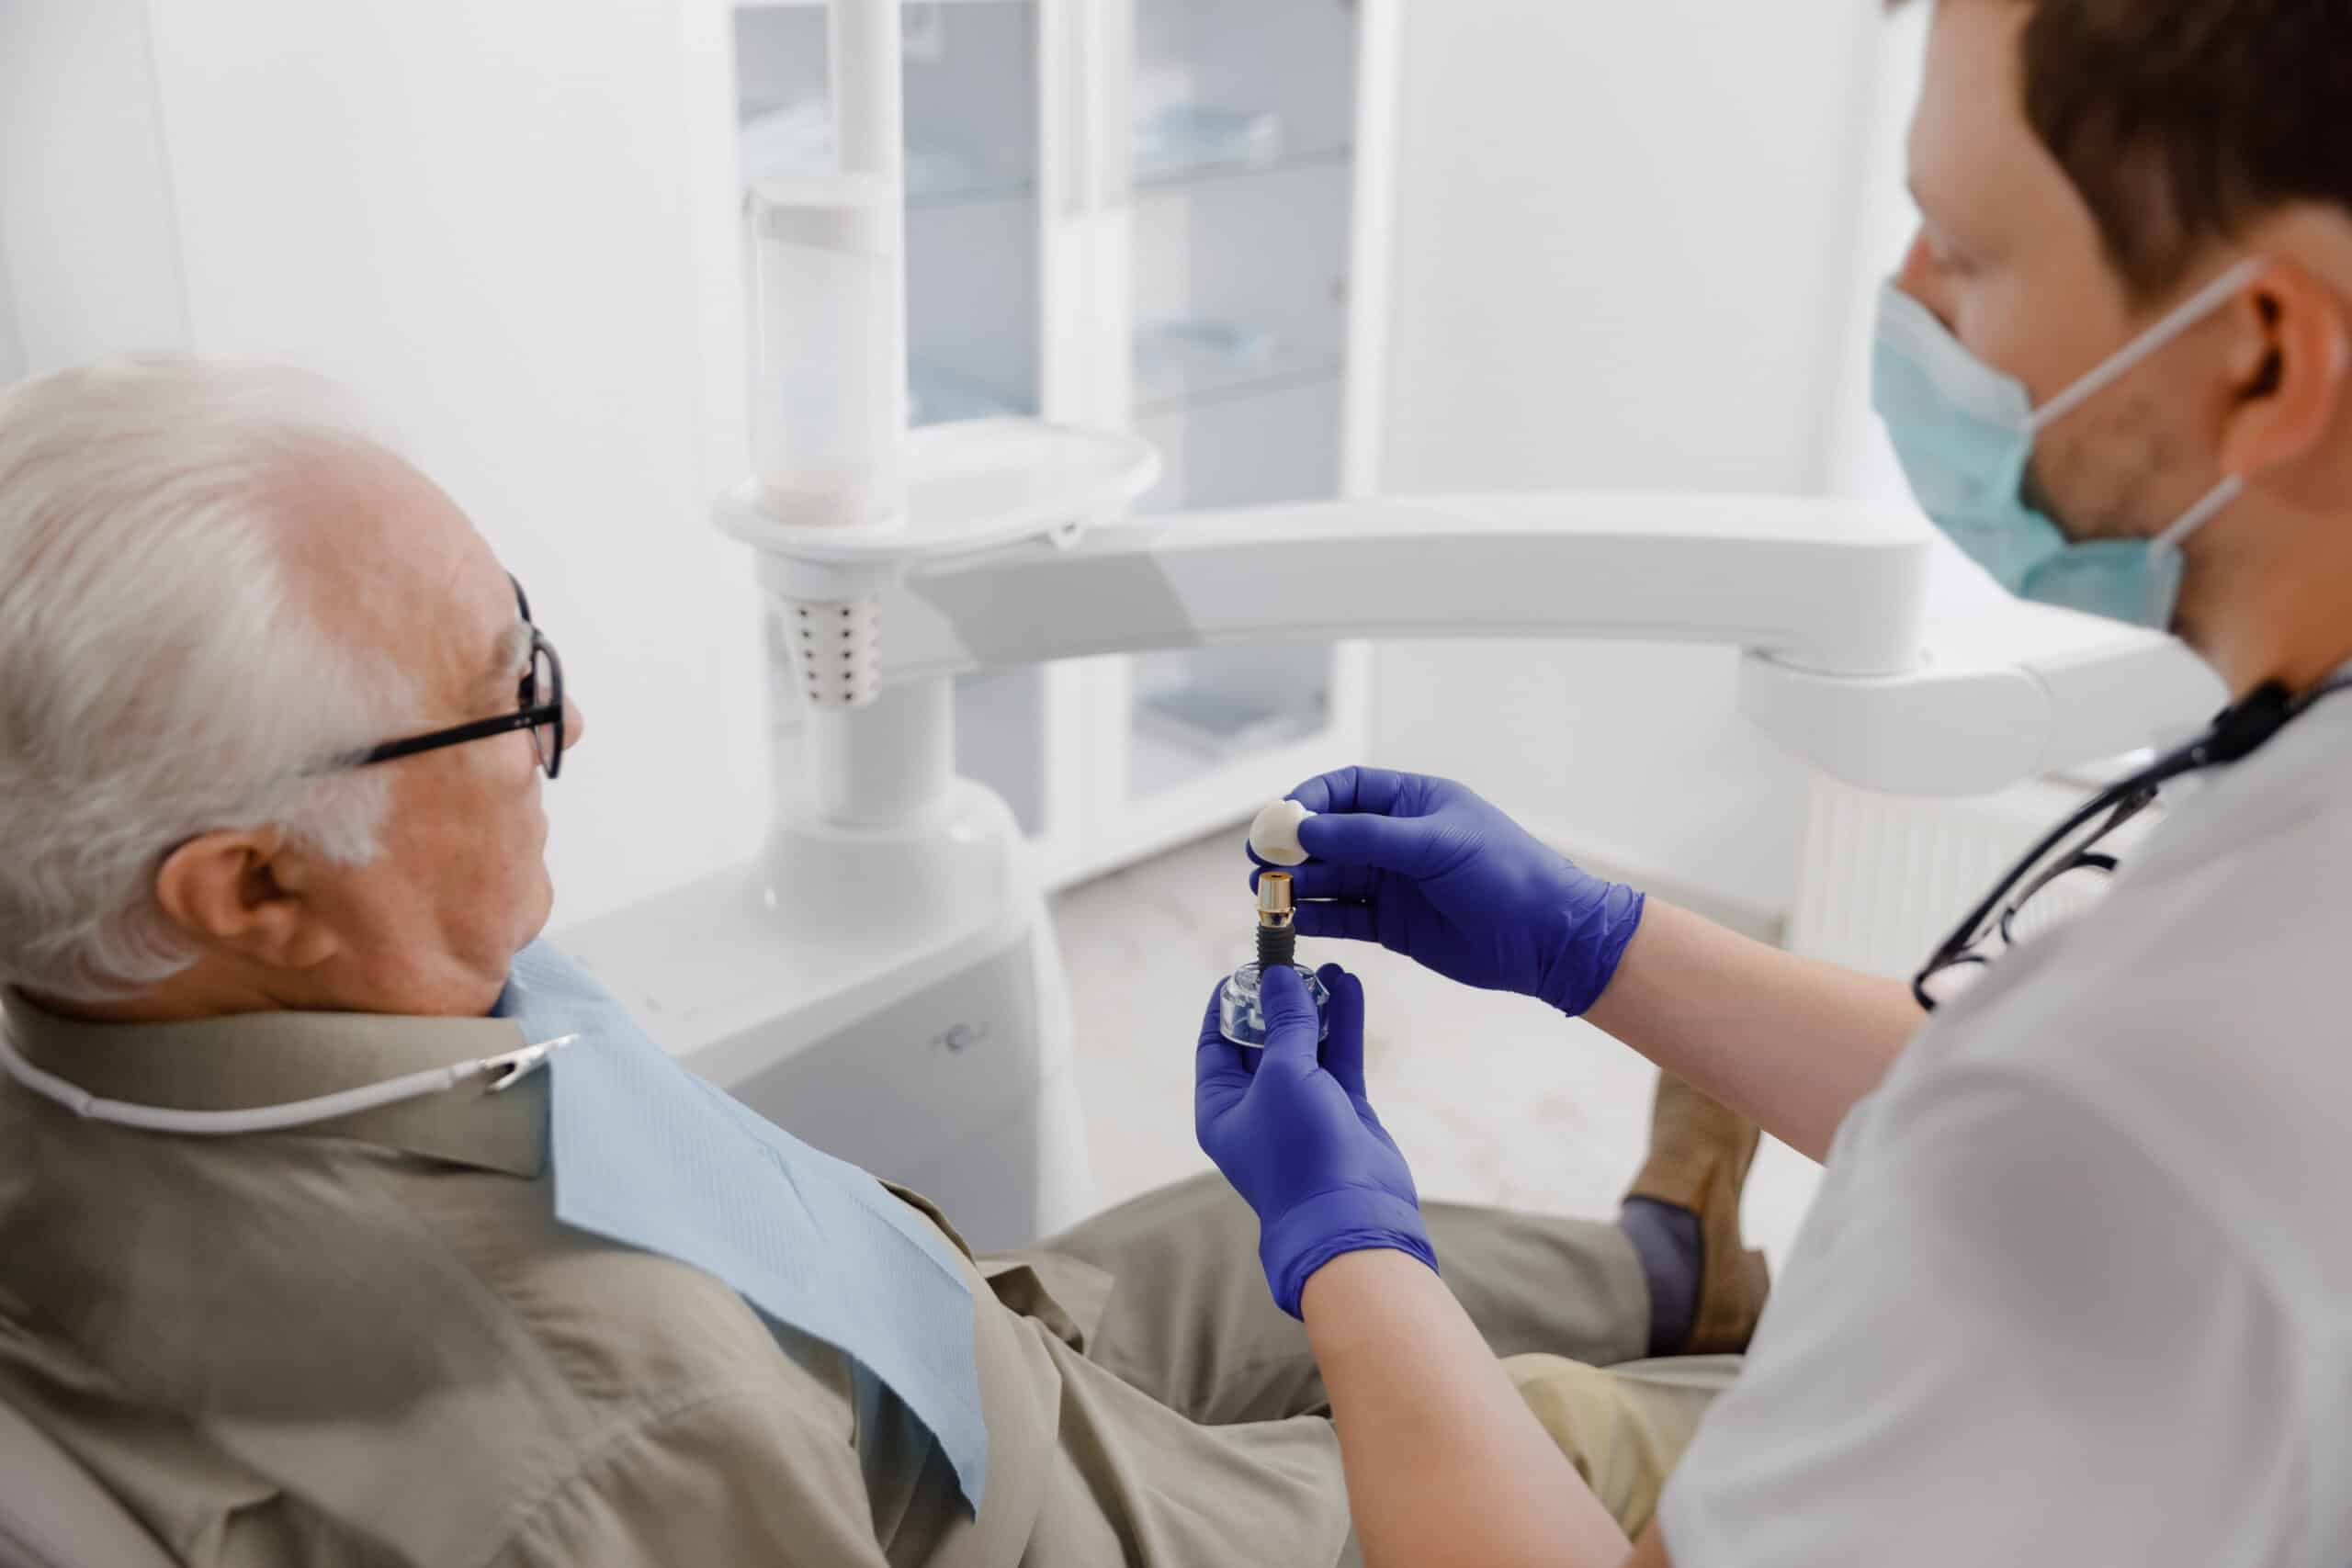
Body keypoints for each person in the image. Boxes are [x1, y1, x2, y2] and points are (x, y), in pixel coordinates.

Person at [0, 355, 1762, 1566]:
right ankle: (1709, 1378)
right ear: (256, 888)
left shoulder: (152, 1018)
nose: (570, 724)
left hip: (918, 1340)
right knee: (1605, 1440)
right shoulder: (619, 1431)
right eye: (505, 693)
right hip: (1003, 1514)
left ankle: (1662, 1267)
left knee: (1241, 1235)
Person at [1191, 1, 2352, 1563]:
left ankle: (1657, 1274)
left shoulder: (2140, 1076)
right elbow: (2065, 1141)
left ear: (2266, 357)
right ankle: (1668, 1270)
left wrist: (1344, 1248)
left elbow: (2092, 1134)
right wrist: (1591, 943)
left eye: (1965, 251)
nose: (1908, 301)